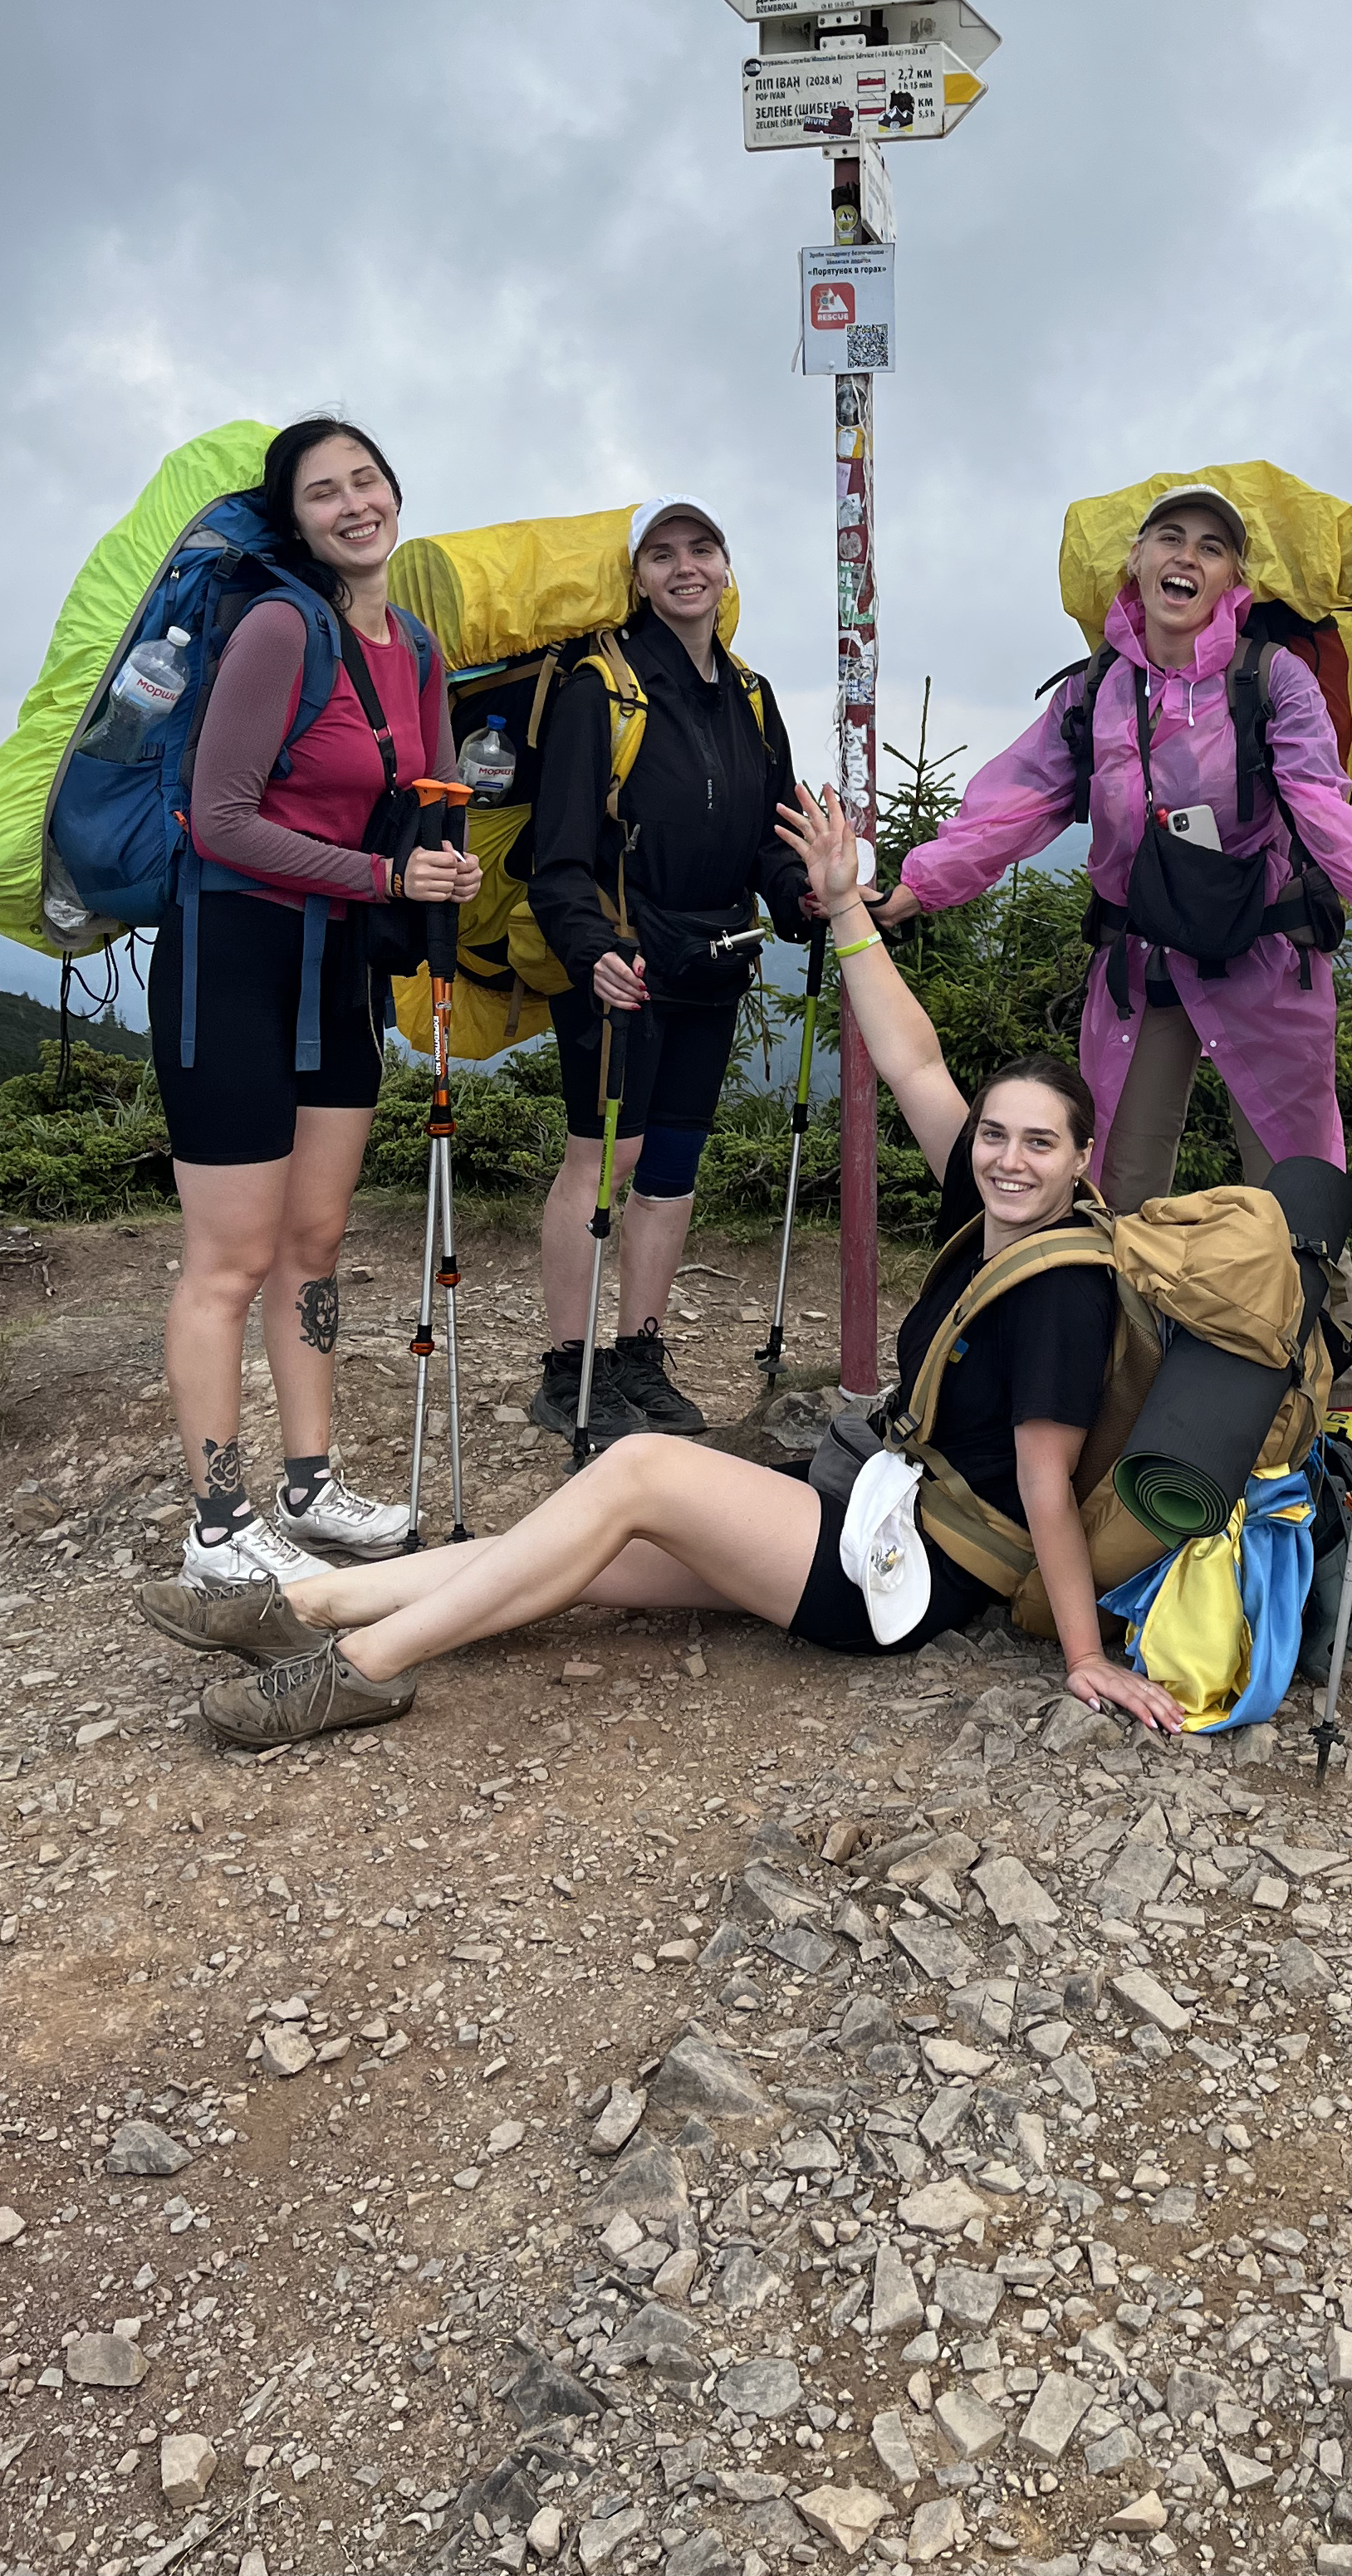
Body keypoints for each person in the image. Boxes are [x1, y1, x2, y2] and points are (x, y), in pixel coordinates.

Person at [135, 781, 1189, 1750]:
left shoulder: (1062, 1283)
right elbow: (913, 1059)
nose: (1006, 1159)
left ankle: (361, 1670)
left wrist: (1085, 1657)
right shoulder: (991, 1213)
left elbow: (1046, 1489)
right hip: (870, 1506)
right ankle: (300, 1611)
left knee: (633, 1469)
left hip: (907, 1574)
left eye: (1039, 1144)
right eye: (996, 1136)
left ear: (1083, 1159)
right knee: (572, 1542)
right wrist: (848, 908)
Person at [879, 484, 1352, 1227]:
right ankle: (1117, 1341)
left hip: (1264, 950)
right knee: (1116, 1188)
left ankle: (1319, 1344)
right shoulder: (1093, 692)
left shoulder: (1271, 679)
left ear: (1235, 579)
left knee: (1297, 1189)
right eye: (1171, 537)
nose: (1187, 557)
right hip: (1140, 965)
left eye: (1212, 547)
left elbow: (1316, 795)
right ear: (1136, 559)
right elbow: (1015, 805)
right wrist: (916, 888)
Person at [154, 415, 482, 1594]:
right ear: (294, 519)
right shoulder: (279, 628)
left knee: (316, 1243)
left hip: (338, 964)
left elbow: (425, 808)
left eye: (366, 481)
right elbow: (222, 815)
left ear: (395, 491)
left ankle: (306, 1483)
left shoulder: (422, 651)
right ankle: (216, 1520)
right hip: (231, 952)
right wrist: (392, 877)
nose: (353, 505)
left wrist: (442, 867)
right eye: (323, 492)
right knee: (229, 1260)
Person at [523, 497, 814, 1442]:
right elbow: (558, 855)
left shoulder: (753, 697)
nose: (686, 568)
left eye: (703, 549)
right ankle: (569, 1371)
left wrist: (803, 897)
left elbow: (770, 840)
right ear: (638, 575)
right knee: (604, 1159)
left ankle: (638, 1357)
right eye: (663, 554)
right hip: (622, 965)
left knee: (674, 1163)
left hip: (713, 960)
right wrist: (592, 952)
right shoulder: (598, 690)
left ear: (727, 568)